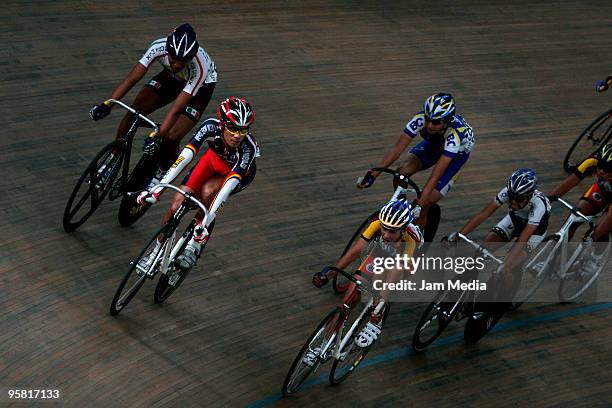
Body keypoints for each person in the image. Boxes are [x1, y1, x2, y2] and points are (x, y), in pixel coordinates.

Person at [136, 96, 258, 271]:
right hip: (214, 160)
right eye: (232, 128)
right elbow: (184, 158)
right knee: (177, 202)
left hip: (237, 175)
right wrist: (157, 189)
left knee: (209, 192)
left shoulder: (248, 148)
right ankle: (156, 251)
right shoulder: (210, 126)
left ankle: (194, 245)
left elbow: (225, 191)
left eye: (243, 130)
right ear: (222, 124)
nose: (237, 135)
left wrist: (205, 224)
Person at [89, 23, 217, 173]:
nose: (176, 64)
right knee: (135, 110)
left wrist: (158, 135)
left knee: (171, 136)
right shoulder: (158, 47)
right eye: (173, 59)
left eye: (182, 62)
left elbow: (177, 109)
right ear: (167, 50)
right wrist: (107, 104)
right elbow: (133, 77)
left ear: (190, 59)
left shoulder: (200, 67)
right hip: (173, 78)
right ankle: (112, 160)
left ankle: (162, 173)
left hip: (201, 88)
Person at [310, 199, 423, 350]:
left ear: (403, 230)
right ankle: (322, 345)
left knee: (385, 285)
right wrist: (329, 275)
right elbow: (356, 251)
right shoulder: (376, 224)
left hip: (404, 262)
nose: (386, 234)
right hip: (383, 253)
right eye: (384, 229)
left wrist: (379, 301)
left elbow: (395, 274)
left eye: (392, 231)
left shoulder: (410, 240)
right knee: (347, 301)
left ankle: (377, 319)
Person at [357, 93, 475, 230]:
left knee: (425, 204)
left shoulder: (455, 134)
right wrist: (373, 174)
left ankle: (417, 245)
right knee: (401, 173)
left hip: (455, 157)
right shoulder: (419, 119)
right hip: (434, 145)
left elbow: (435, 175)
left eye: (436, 122)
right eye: (428, 119)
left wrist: (420, 203)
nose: (430, 125)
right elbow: (396, 150)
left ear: (446, 121)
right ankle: (401, 210)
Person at [446, 169, 550, 300]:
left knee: (507, 268)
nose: (513, 202)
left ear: (529, 196)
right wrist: (458, 235)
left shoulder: (539, 206)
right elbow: (483, 214)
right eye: (511, 197)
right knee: (480, 252)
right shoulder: (507, 192)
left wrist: (505, 265)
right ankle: (461, 287)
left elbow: (522, 239)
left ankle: (504, 300)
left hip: (534, 232)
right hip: (514, 220)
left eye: (518, 199)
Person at [548, 144, 612, 274]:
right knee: (573, 218)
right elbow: (568, 183)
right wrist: (546, 201)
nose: (601, 171)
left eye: (608, 169)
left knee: (601, 229)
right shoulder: (591, 163)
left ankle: (596, 258)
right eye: (600, 165)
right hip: (602, 190)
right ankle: (554, 259)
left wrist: (594, 235)